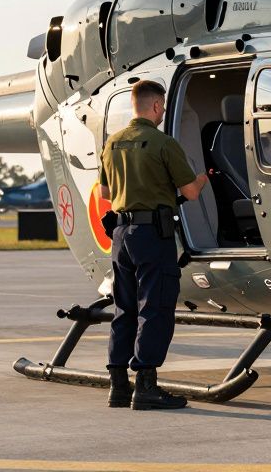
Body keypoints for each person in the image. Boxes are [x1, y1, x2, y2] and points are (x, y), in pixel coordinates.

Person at [99, 79, 209, 410]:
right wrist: (202, 179)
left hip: (121, 236)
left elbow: (105, 193)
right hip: (152, 236)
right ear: (157, 105)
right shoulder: (163, 143)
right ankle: (146, 385)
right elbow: (190, 192)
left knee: (125, 308)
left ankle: (118, 386)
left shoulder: (113, 142)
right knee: (155, 308)